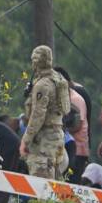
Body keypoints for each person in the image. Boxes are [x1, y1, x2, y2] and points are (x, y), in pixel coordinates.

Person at [20, 45, 71, 180]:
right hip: (57, 137)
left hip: (44, 140)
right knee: (55, 182)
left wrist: (25, 140)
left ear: (35, 62)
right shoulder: (58, 79)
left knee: (41, 184)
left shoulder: (42, 85)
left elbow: (37, 116)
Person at [55, 67, 90, 183]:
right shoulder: (61, 98)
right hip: (64, 148)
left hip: (77, 150)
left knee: (71, 185)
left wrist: (58, 129)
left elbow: (77, 125)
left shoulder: (75, 99)